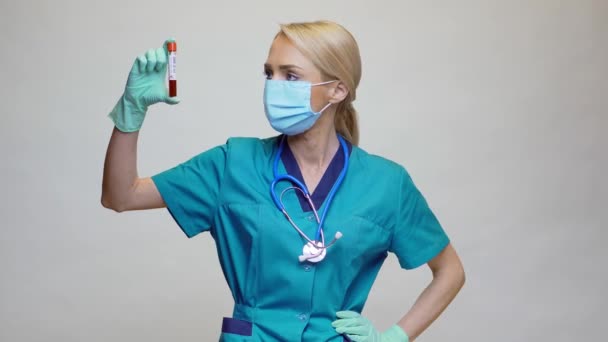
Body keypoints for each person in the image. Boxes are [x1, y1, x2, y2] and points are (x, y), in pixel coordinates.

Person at [102, 20, 465, 342]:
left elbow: (449, 271)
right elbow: (121, 196)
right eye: (269, 73)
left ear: (337, 90)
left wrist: (396, 337)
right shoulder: (233, 164)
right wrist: (131, 113)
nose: (274, 86)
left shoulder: (387, 184)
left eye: (290, 76)